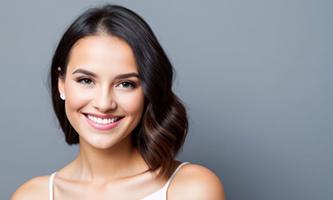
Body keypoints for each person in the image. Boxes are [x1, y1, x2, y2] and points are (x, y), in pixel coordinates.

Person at [11, 4, 225, 200]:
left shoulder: (191, 188)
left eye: (125, 84)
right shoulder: (31, 196)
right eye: (86, 80)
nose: (104, 103)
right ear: (61, 84)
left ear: (147, 91)